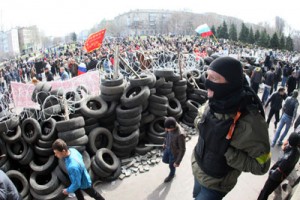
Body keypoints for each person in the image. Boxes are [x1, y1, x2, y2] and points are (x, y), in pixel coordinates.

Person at [192, 57, 270, 200]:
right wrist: (203, 127)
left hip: (215, 185)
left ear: (230, 84)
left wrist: (226, 150)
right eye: (207, 75)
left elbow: (262, 165)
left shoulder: (251, 123)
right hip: (197, 168)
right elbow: (200, 116)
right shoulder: (215, 99)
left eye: (214, 78)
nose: (207, 81)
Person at [258, 132, 300, 200]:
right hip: (280, 176)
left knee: (264, 192)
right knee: (267, 191)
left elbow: (280, 169)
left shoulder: (288, 157)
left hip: (275, 177)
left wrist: (271, 172)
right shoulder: (296, 152)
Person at [162, 117, 186, 183]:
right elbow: (166, 136)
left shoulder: (180, 135)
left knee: (171, 165)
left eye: (167, 128)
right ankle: (171, 164)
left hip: (174, 152)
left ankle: (172, 174)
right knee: (164, 160)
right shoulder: (169, 126)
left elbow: (182, 149)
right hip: (167, 147)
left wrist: (177, 162)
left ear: (172, 127)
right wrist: (164, 143)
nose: (165, 129)